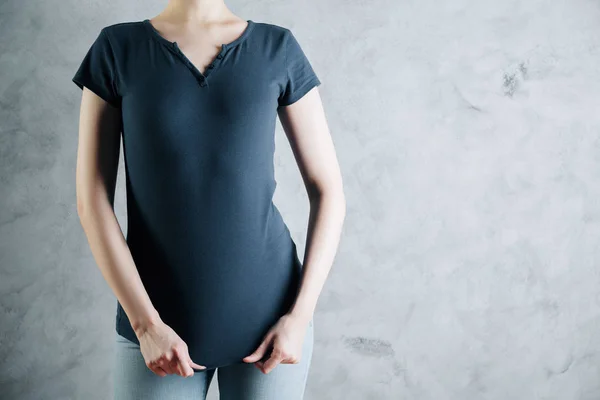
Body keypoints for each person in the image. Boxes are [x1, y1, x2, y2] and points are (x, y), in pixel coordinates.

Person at [73, 0, 345, 398]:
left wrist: (299, 316)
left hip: (272, 323)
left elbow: (329, 190)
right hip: (154, 323)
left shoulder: (277, 47)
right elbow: (91, 198)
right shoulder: (117, 48)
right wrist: (146, 325)